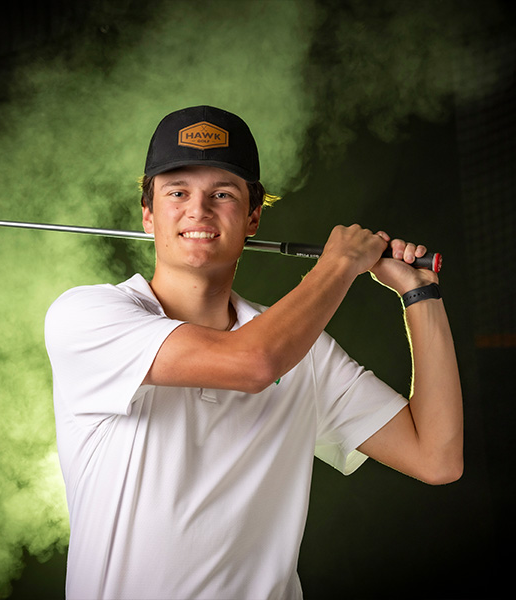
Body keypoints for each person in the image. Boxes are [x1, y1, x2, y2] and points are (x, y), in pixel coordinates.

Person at [45, 105, 463, 599]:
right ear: (148, 213)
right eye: (177, 192)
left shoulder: (303, 350)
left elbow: (437, 457)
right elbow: (253, 363)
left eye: (222, 194)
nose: (198, 210)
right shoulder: (86, 315)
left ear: (253, 217)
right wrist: (340, 264)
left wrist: (420, 293)